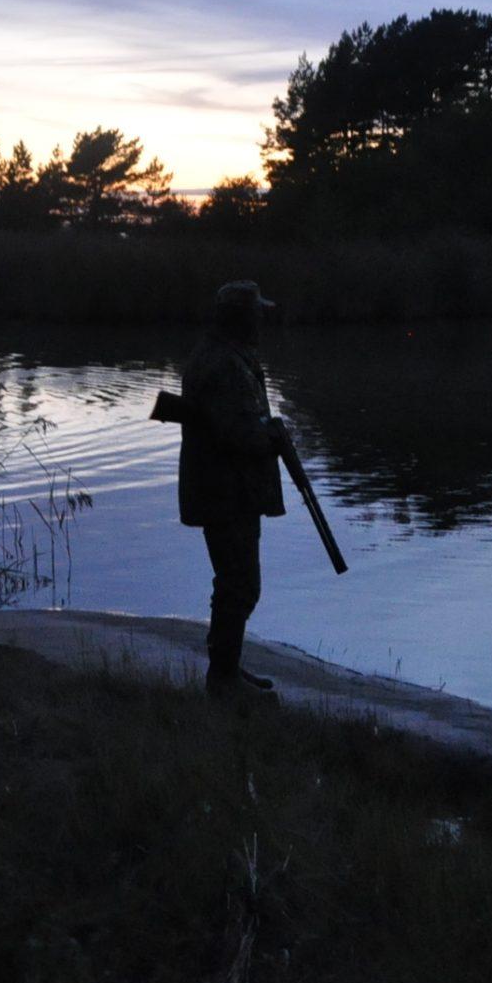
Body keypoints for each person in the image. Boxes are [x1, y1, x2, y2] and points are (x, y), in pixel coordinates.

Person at [177, 280, 288, 702]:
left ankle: (227, 669)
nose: (262, 319)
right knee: (239, 584)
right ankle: (222, 681)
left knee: (237, 583)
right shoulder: (223, 363)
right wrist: (271, 436)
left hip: (230, 490)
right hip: (224, 492)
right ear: (241, 317)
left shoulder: (228, 355)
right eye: (256, 312)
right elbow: (235, 432)